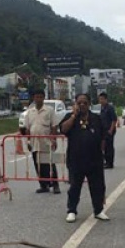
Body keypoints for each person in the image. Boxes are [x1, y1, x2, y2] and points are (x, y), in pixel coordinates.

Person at [59, 93, 109, 222]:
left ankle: (98, 210)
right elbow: (63, 130)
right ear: (76, 104)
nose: (82, 105)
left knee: (97, 187)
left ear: (89, 104)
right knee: (75, 186)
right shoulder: (70, 117)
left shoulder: (96, 118)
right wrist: (74, 116)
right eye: (79, 102)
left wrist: (102, 154)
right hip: (76, 159)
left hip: (94, 159)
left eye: (85, 102)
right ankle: (71, 210)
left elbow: (103, 137)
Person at [21, 90, 61, 194]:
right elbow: (27, 128)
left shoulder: (49, 110)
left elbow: (54, 126)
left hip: (46, 142)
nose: (38, 99)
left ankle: (55, 184)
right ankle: (44, 185)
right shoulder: (30, 112)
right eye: (36, 97)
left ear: (43, 98)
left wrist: (54, 139)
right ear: (33, 98)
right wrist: (28, 141)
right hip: (34, 142)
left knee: (50, 164)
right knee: (38, 165)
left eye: (40, 97)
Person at [98, 92, 118, 169]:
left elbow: (114, 120)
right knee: (105, 147)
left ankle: (110, 163)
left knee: (109, 147)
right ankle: (106, 162)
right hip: (104, 131)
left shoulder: (109, 108)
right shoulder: (102, 108)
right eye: (100, 99)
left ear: (106, 99)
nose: (101, 101)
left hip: (109, 130)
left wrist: (111, 130)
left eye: (102, 99)